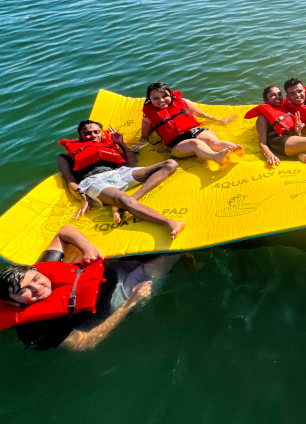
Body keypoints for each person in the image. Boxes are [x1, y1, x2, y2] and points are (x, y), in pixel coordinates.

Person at [0, 225, 181, 351]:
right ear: (13, 302)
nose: (37, 287)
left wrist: (87, 248)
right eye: (23, 291)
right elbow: (84, 343)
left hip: (111, 272)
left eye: (36, 278)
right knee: (173, 253)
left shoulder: (41, 270)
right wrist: (131, 303)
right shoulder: (36, 326)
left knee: (154, 246)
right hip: (123, 295)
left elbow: (64, 231)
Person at [57, 120, 185, 239]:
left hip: (119, 173)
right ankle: (169, 222)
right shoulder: (65, 157)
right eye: (87, 134)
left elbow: (132, 163)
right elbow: (70, 180)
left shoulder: (108, 146)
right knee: (123, 199)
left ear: (102, 133)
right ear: (80, 137)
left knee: (170, 164)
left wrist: (121, 143)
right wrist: (84, 197)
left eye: (96, 132)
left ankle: (122, 205)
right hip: (93, 181)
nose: (93, 135)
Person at [135, 82, 244, 166]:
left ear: (171, 95)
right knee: (195, 143)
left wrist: (220, 120)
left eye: (165, 96)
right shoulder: (148, 117)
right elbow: (144, 135)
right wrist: (137, 147)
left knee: (212, 141)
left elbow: (202, 114)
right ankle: (215, 157)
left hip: (195, 131)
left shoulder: (183, 102)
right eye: (156, 98)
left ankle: (234, 149)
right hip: (177, 143)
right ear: (149, 99)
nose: (161, 100)